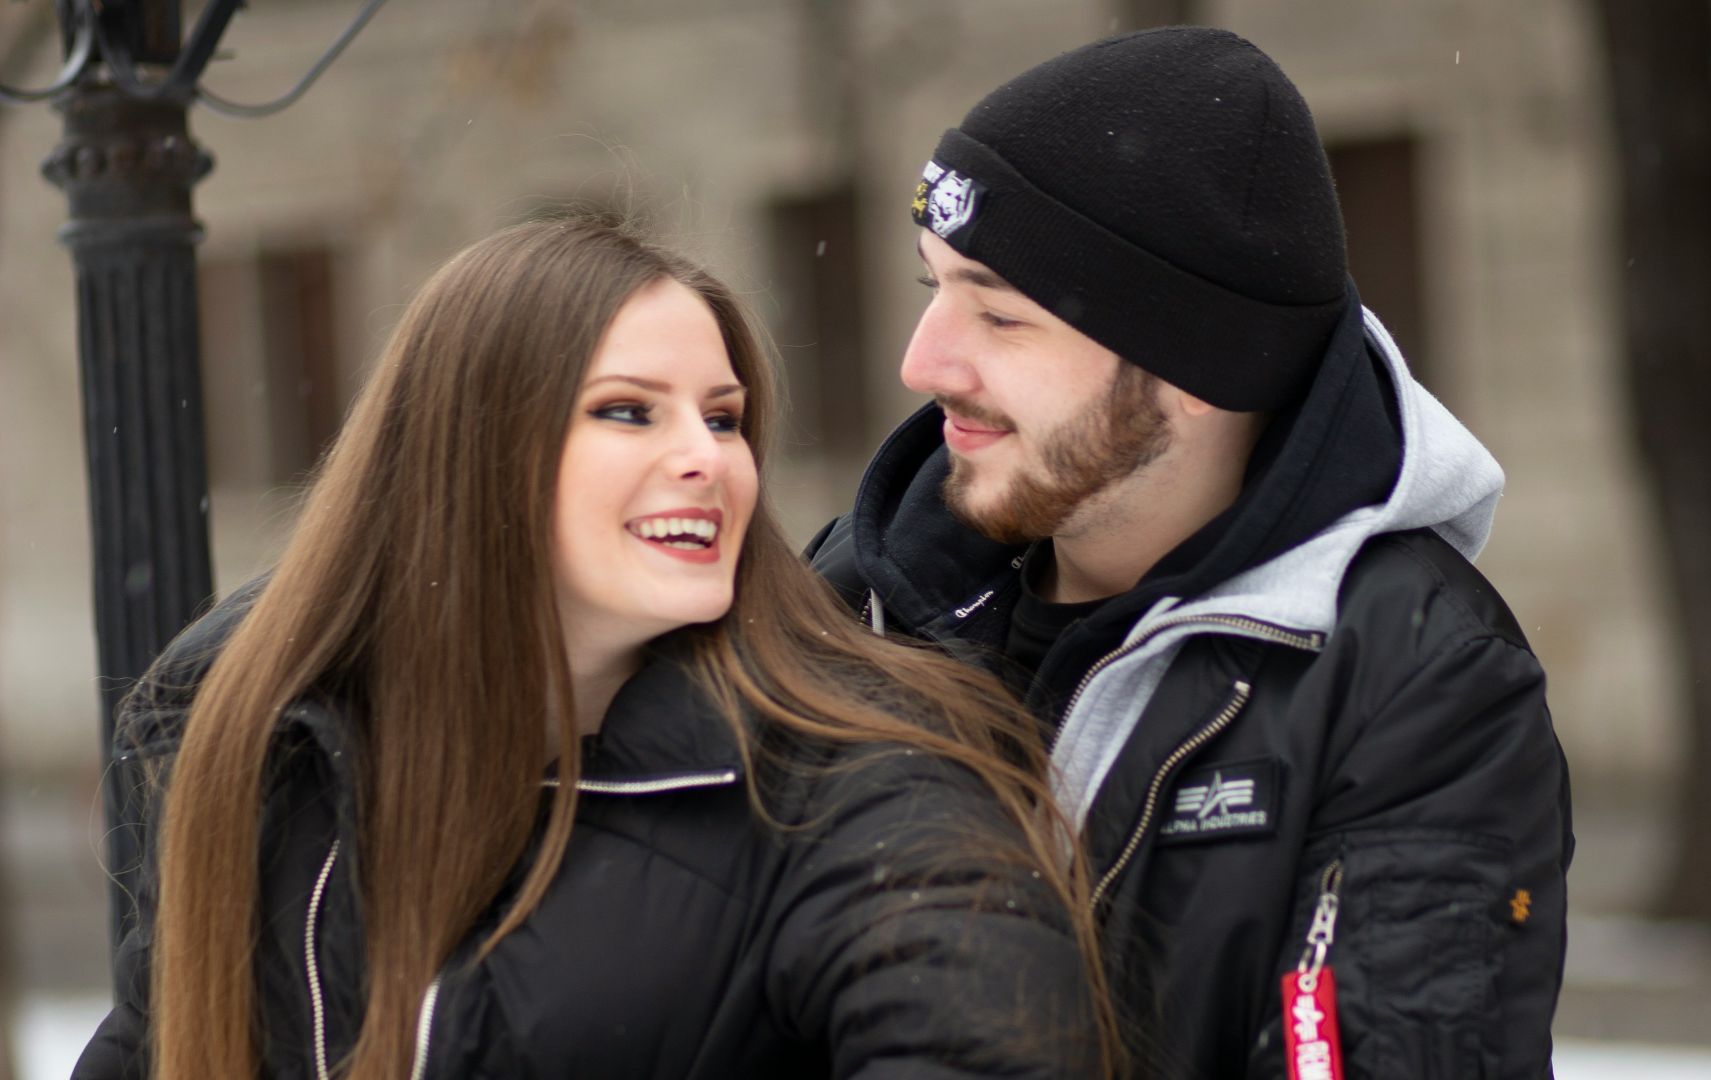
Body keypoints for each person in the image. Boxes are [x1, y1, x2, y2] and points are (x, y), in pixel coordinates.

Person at [75, 216, 1115, 1080]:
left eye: (724, 419)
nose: (705, 460)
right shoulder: (271, 763)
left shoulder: (862, 787)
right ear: (468, 453)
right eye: (628, 412)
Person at [806, 26, 1574, 1079]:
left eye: (998, 313)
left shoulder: (1410, 682)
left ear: (1192, 363)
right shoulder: (851, 602)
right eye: (932, 288)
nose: (921, 360)